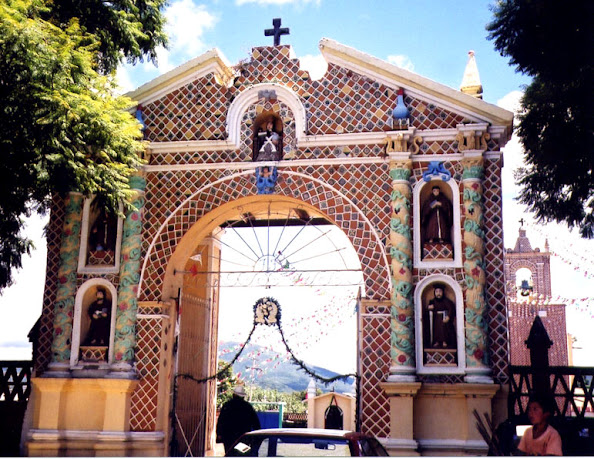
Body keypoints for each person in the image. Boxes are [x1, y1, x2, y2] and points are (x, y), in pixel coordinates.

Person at [216, 385, 261, 454]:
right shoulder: (248, 407)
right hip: (243, 438)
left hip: (228, 438)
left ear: (234, 395)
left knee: (230, 454)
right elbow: (256, 424)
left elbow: (221, 421)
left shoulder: (227, 406)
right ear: (243, 396)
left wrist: (219, 434)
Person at [426, 284, 456, 348]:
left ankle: (445, 341)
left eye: (440, 291)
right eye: (437, 292)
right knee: (436, 330)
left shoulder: (447, 301)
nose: (438, 293)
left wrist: (448, 316)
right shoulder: (432, 301)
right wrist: (429, 308)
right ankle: (436, 341)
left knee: (444, 330)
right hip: (436, 318)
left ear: (442, 292)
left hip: (444, 318)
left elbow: (451, 309)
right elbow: (428, 309)